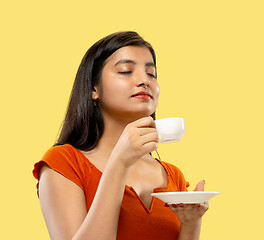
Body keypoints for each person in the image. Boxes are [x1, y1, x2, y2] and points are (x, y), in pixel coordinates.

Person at [32, 31, 209, 240]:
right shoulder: (64, 163)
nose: (145, 80)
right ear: (93, 89)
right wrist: (119, 163)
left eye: (151, 74)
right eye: (126, 71)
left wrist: (191, 224)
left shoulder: (172, 176)